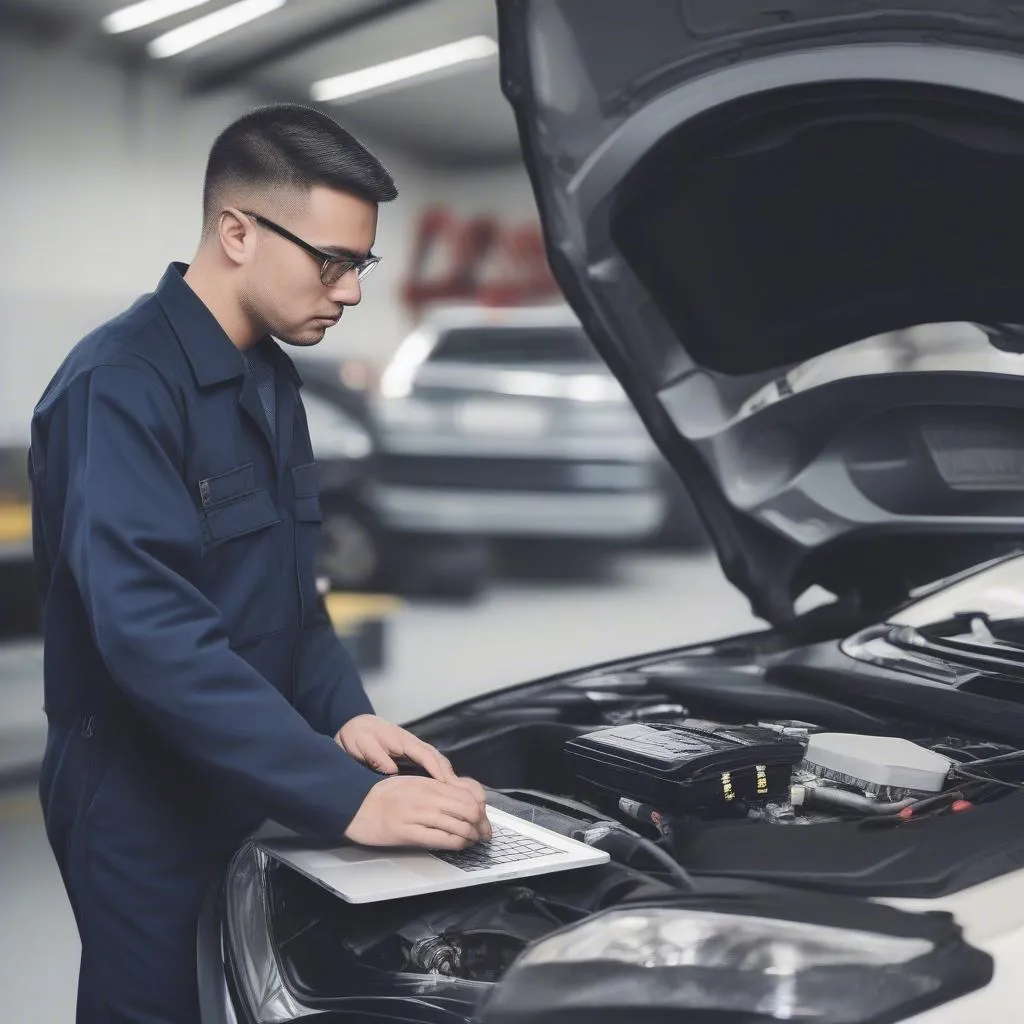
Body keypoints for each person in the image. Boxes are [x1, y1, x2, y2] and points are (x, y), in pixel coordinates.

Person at [28, 103, 492, 1024]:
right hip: (137, 792)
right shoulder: (119, 387)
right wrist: (346, 801)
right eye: (332, 263)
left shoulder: (269, 378)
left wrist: (348, 719)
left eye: (360, 264)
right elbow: (154, 637)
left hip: (247, 767)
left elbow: (294, 595)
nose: (351, 291)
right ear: (237, 231)